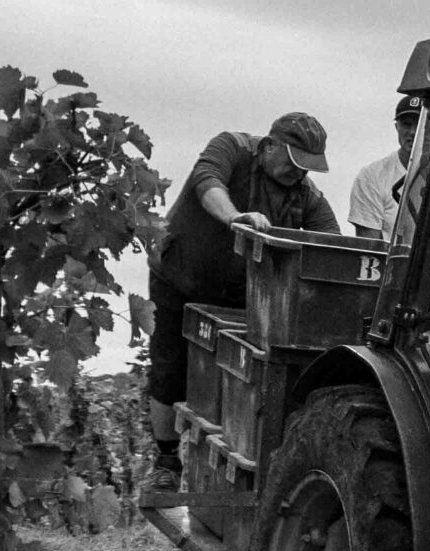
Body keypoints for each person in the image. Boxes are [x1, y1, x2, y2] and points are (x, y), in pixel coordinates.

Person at [144, 114, 336, 496]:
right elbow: (206, 181)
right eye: (293, 164)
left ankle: (228, 473)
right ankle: (166, 461)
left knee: (236, 377)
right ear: (268, 146)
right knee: (169, 369)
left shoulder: (307, 197)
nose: (298, 175)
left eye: (307, 170)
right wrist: (235, 218)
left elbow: (331, 245)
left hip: (236, 297)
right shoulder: (232, 147)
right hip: (179, 279)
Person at [346, 95, 421, 239]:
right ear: (396, 127)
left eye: (419, 124)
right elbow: (370, 251)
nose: (412, 131)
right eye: (406, 124)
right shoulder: (371, 177)